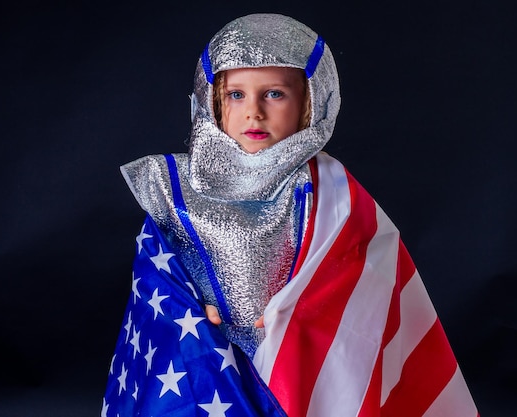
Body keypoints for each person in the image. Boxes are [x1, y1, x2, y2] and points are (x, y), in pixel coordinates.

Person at [102, 13, 479, 417]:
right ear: (210, 99)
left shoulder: (330, 189)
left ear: (311, 100)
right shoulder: (175, 185)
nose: (254, 112)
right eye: (236, 95)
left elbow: (362, 271)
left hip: (295, 363)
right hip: (207, 358)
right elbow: (154, 270)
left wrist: (300, 312)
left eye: (275, 94)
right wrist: (187, 309)